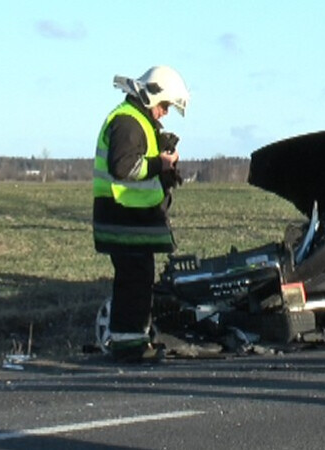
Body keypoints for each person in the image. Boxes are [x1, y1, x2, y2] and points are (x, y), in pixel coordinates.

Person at [93, 65, 188, 363]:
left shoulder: (137, 121)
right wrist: (159, 165)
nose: (164, 113)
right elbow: (124, 168)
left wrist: (163, 167)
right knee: (134, 280)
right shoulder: (128, 122)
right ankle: (129, 347)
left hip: (129, 221)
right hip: (123, 219)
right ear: (151, 96)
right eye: (164, 106)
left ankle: (133, 341)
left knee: (138, 278)